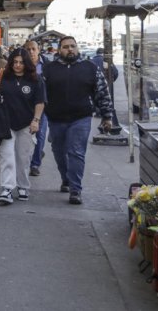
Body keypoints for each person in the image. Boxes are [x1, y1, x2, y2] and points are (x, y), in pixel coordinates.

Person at [43, 36, 116, 205]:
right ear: (59, 50)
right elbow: (41, 94)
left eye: (72, 46)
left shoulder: (90, 68)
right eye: (66, 47)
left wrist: (107, 116)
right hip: (56, 119)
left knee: (76, 152)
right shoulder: (49, 69)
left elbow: (102, 92)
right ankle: (66, 179)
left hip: (81, 118)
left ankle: (76, 189)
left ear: (77, 48)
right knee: (59, 152)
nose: (70, 49)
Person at [0, 48, 46, 205]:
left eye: (21, 62)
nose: (17, 65)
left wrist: (36, 120)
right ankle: (7, 188)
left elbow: (40, 102)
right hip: (6, 123)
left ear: (27, 63)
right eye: (15, 62)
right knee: (7, 156)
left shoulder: (36, 80)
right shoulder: (4, 77)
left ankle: (23, 186)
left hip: (27, 124)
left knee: (23, 158)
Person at [24, 40, 49, 176]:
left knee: (39, 135)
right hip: (24, 107)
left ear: (39, 50)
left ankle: (35, 164)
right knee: (25, 136)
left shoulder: (48, 66)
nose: (31, 52)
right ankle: (26, 161)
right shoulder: (20, 65)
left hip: (42, 107)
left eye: (33, 49)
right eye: (28, 49)